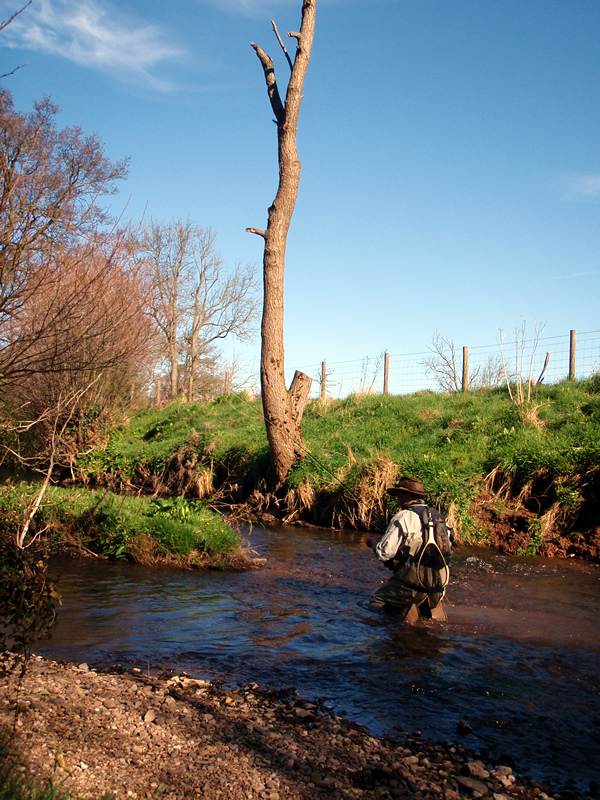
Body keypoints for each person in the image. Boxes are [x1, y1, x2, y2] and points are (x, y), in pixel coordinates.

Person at [366, 476, 451, 622]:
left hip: (412, 582)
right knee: (434, 621)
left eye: (398, 495)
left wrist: (372, 543)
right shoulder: (439, 517)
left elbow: (384, 554)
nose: (397, 499)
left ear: (406, 496)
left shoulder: (403, 517)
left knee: (374, 604)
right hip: (438, 582)